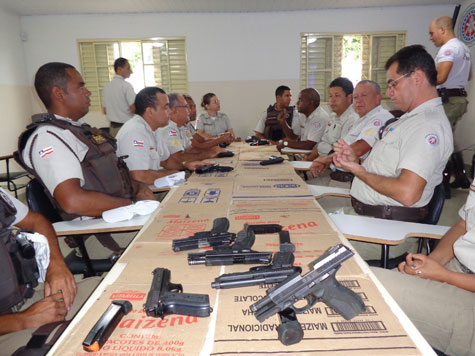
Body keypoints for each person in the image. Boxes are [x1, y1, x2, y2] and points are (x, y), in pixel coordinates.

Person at [333, 45, 453, 260]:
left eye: (393, 84)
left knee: (305, 243)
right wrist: (357, 159)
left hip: (384, 233)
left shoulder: (426, 126)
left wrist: (359, 171)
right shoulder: (409, 120)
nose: (389, 92)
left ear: (416, 77)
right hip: (369, 220)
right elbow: (387, 167)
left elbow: (407, 193)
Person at [371, 176, 475, 356]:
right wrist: (429, 264)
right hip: (457, 267)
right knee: (360, 282)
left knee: (365, 288)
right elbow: (463, 225)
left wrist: (443, 276)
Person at [0, 188, 99, 355]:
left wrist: (56, 265)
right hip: (9, 325)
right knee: (74, 340)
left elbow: (36, 222)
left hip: (20, 301)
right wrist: (22, 320)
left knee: (102, 292)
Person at [116, 87, 211, 185]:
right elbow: (139, 176)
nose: (170, 111)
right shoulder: (135, 132)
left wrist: (186, 164)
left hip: (155, 185)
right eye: (165, 107)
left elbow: (166, 161)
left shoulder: (154, 129)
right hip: (144, 193)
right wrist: (173, 174)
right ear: (150, 111)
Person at [309, 80, 392, 187]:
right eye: (356, 97)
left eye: (364, 95)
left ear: (378, 98)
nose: (358, 101)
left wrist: (326, 159)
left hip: (353, 182)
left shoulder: (380, 118)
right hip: (337, 176)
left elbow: (358, 149)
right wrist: (326, 162)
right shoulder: (361, 120)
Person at [430, 15, 472, 193]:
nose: (431, 38)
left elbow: (441, 77)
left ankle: (443, 186)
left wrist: (423, 80)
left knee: (441, 140)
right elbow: (469, 76)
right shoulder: (463, 48)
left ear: (442, 30)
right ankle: (461, 176)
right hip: (458, 99)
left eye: (432, 33)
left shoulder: (448, 48)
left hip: (449, 100)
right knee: (449, 138)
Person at [303, 77, 358, 163]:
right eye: (330, 96)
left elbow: (342, 152)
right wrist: (309, 159)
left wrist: (320, 162)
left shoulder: (352, 119)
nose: (332, 100)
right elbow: (323, 142)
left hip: (334, 167)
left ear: (350, 97)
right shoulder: (333, 117)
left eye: (337, 95)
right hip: (322, 162)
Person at [156, 93, 223, 161]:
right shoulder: (169, 129)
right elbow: (178, 157)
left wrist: (211, 150)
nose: (189, 110)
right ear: (175, 109)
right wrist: (207, 154)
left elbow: (191, 149)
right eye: (186, 107)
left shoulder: (182, 127)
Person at [102, 57, 136, 137]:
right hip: (126, 128)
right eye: (128, 68)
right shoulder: (126, 86)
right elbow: (133, 109)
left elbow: (104, 111)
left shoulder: (106, 86)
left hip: (113, 129)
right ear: (119, 69)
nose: (131, 71)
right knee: (134, 146)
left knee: (117, 149)